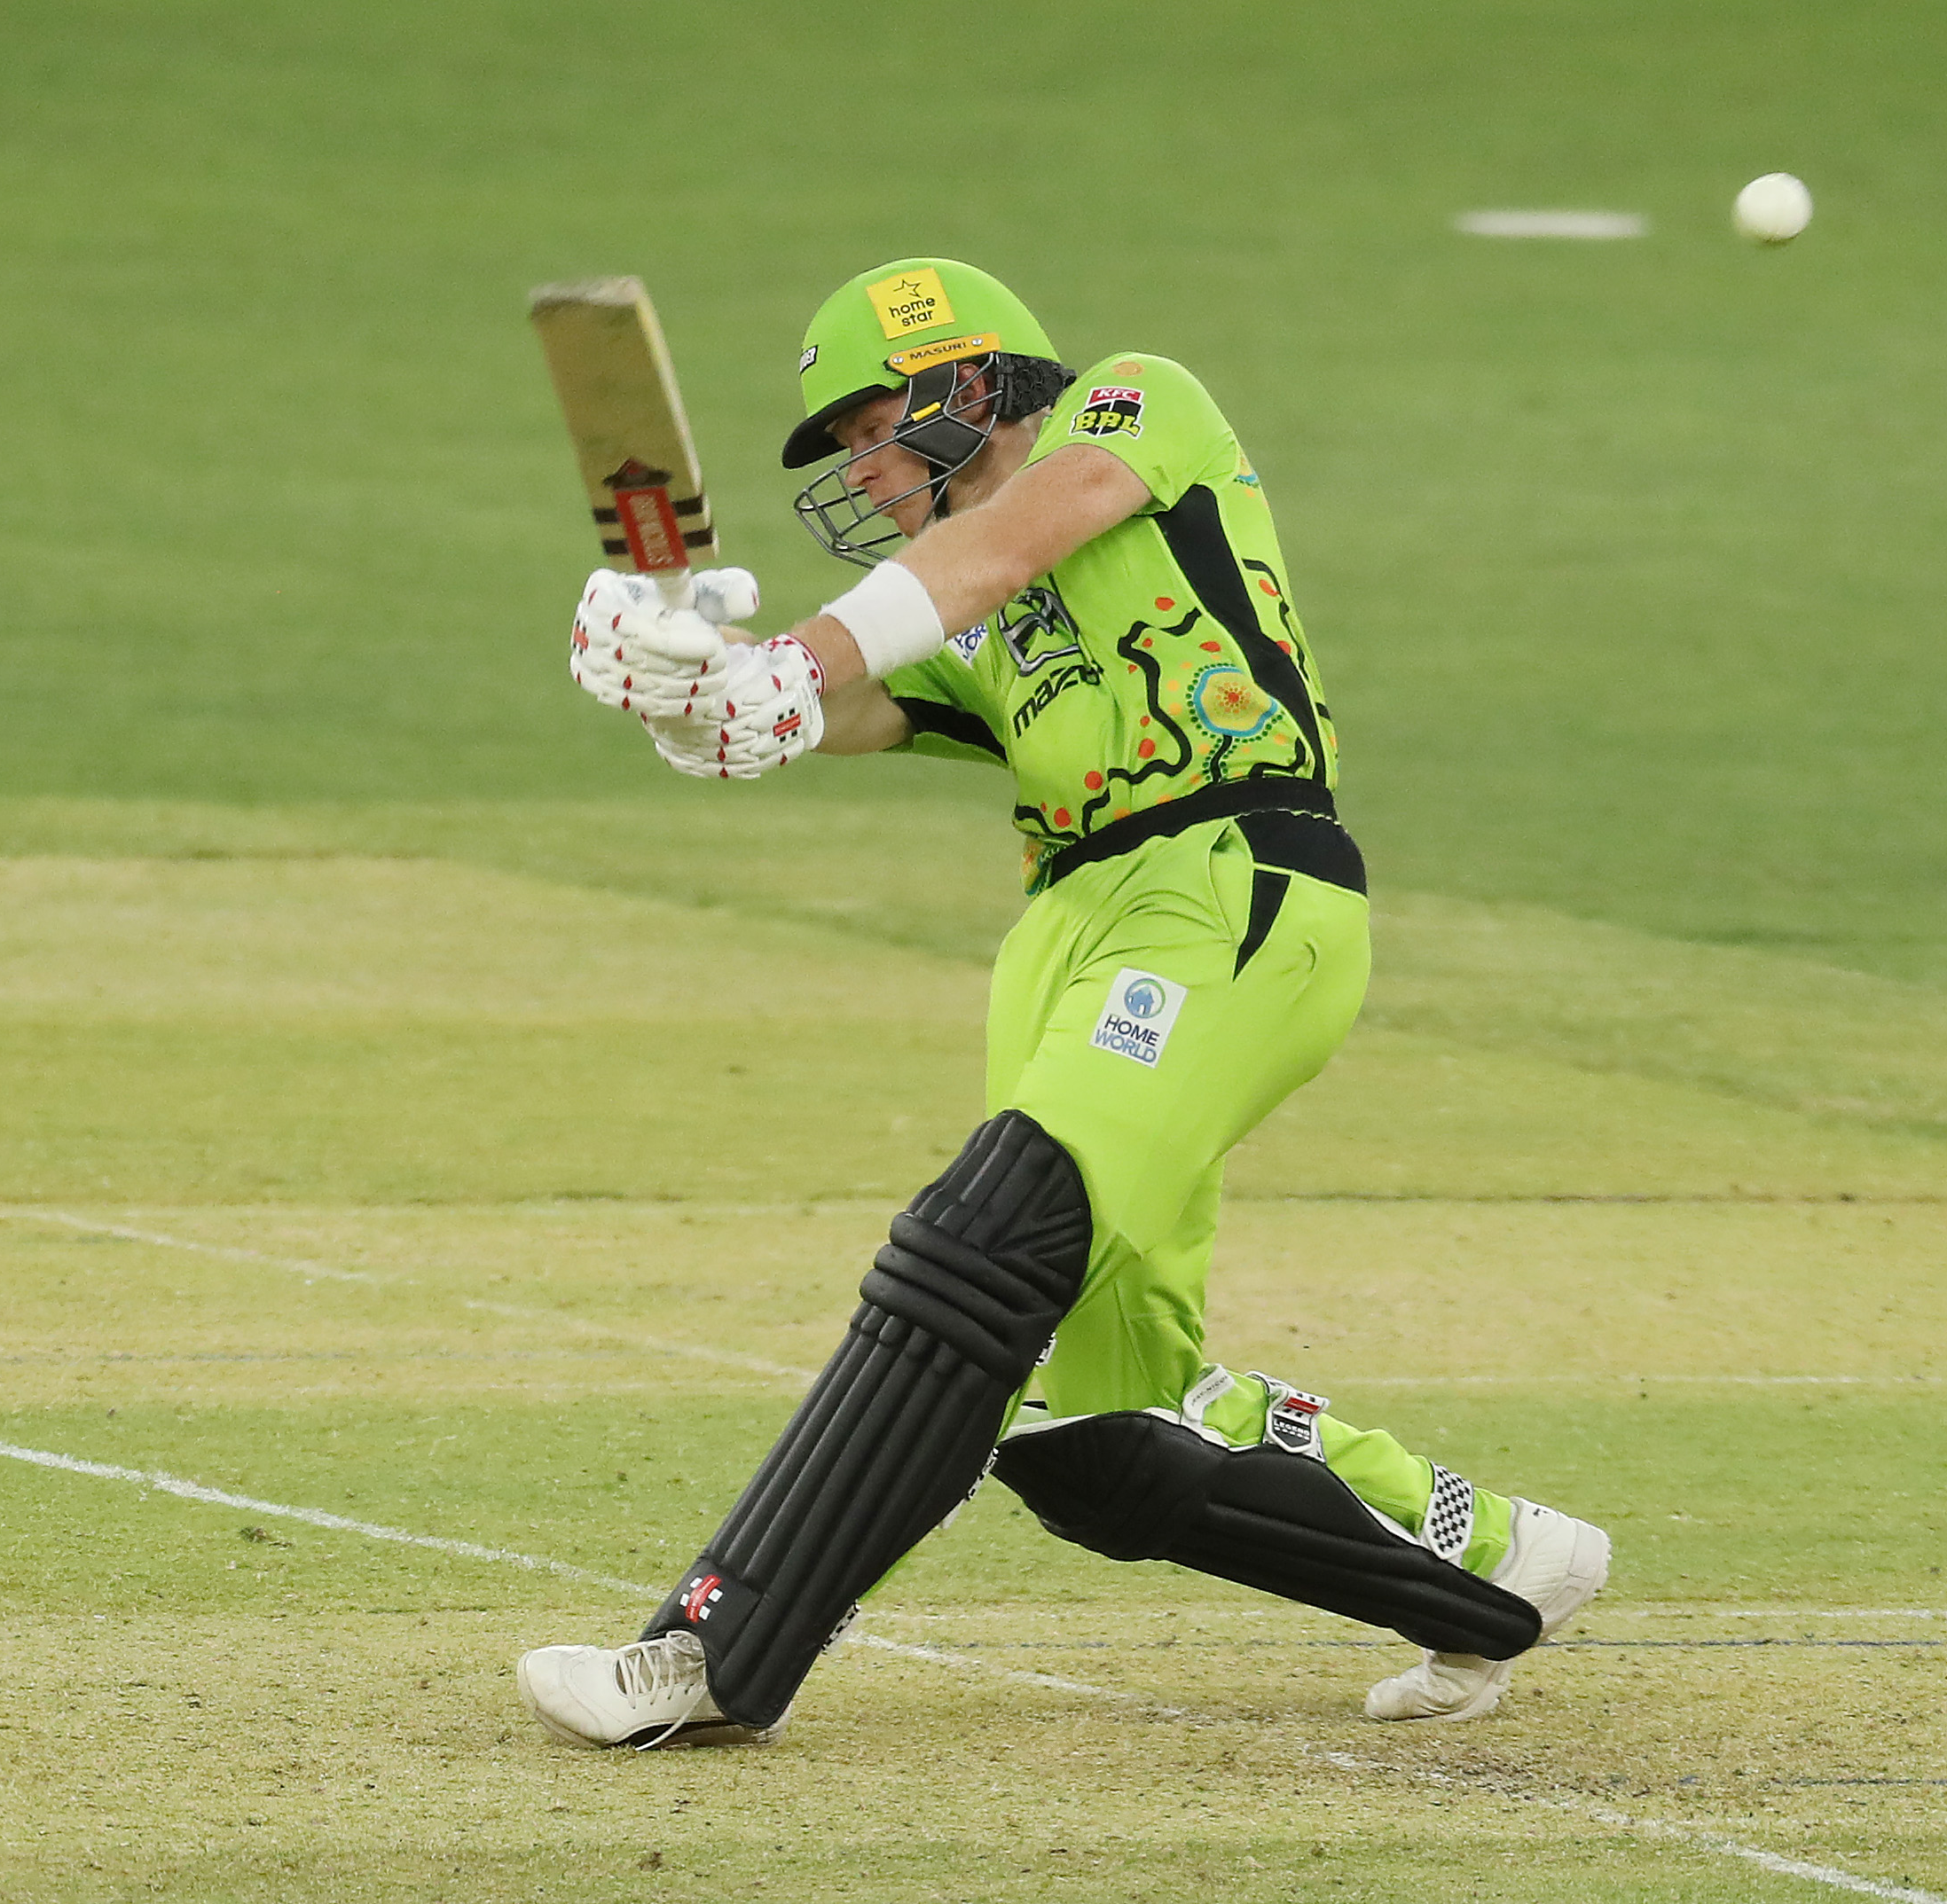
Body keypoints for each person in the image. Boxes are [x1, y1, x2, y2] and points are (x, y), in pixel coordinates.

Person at [516, 259, 1608, 1748]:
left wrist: (805, 652)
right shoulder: (972, 611)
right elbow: (868, 702)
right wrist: (694, 686)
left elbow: (1014, 540)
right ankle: (1493, 1572)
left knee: (978, 1243)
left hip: (1228, 885)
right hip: (1076, 932)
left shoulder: (1135, 405)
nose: (858, 469)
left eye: (868, 428)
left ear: (968, 387)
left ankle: (709, 1656)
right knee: (1091, 1439)